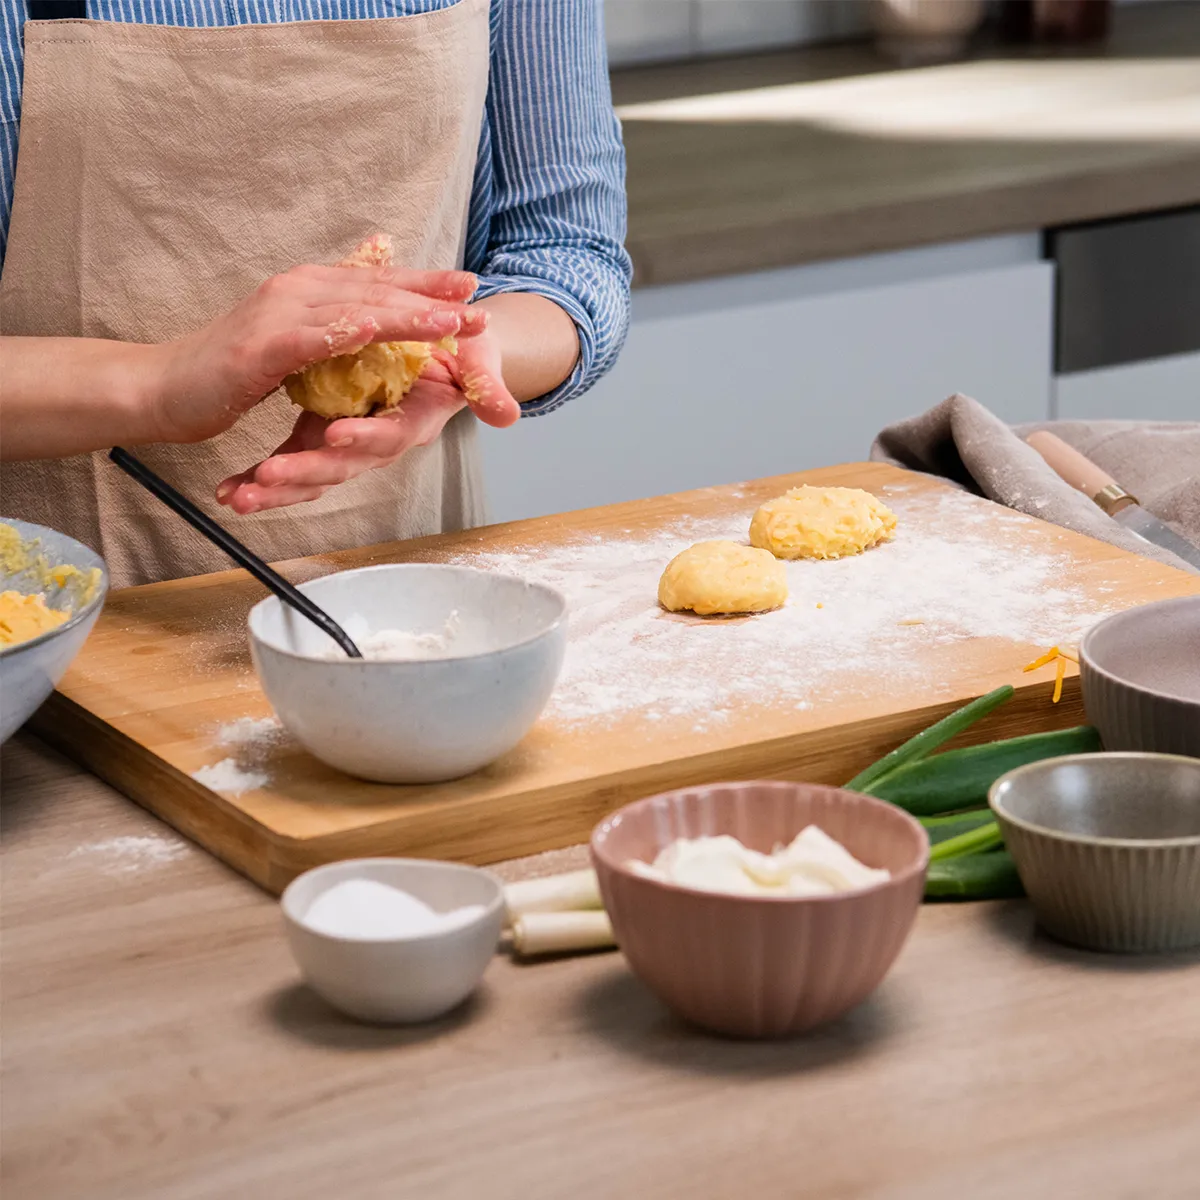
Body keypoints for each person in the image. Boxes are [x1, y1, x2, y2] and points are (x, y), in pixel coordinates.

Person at [0, 0, 631, 588]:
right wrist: (156, 385)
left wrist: (469, 348)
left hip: (411, 583)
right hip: (44, 617)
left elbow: (568, 256)